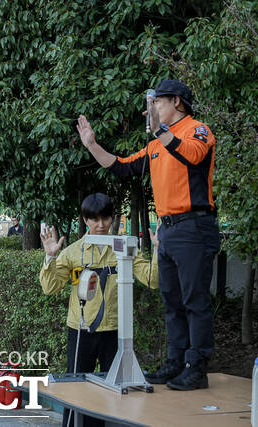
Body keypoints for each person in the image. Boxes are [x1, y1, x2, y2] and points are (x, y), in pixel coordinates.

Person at [76, 80, 219, 391]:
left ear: (177, 102)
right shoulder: (156, 145)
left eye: (157, 103)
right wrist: (92, 145)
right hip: (167, 229)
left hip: (194, 226)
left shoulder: (197, 130)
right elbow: (123, 167)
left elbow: (193, 156)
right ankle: (175, 362)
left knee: (195, 300)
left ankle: (197, 367)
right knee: (171, 300)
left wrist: (159, 131)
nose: (150, 110)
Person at [40, 193, 158, 427]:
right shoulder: (74, 251)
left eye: (105, 218)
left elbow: (152, 279)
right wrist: (49, 257)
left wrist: (159, 252)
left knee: (112, 394)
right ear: (85, 220)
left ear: (112, 218)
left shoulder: (124, 248)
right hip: (81, 330)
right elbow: (50, 287)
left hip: (115, 331)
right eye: (94, 219)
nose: (101, 225)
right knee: (76, 391)